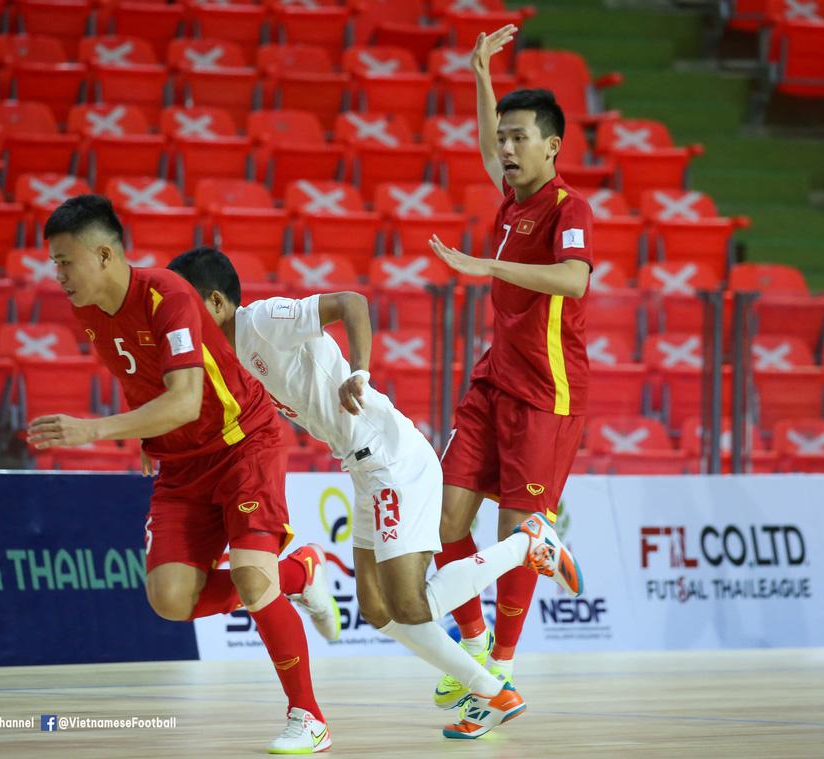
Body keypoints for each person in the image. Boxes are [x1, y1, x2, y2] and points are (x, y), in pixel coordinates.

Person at [167, 246, 584, 740]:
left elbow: (351, 302)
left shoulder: (257, 322)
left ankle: (527, 544)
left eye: (186, 307)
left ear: (216, 303)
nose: (178, 322)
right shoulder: (225, 358)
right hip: (361, 468)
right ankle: (494, 694)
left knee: (410, 605)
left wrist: (358, 372)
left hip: (390, 460)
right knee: (378, 611)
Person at [27, 195, 337, 755]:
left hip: (243, 443)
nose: (59, 275)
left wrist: (95, 430)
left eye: (65, 261)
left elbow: (188, 400)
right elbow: (138, 374)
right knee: (170, 599)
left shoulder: (167, 294)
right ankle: (300, 574)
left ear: (102, 255)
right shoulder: (88, 310)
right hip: (181, 463)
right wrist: (150, 435)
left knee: (249, 576)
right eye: (54, 264)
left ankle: (308, 716)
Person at [426, 25, 595, 737]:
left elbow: (572, 279)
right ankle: (470, 646)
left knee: (513, 534)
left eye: (519, 137)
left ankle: (499, 672)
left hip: (546, 395)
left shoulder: (568, 209)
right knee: (441, 517)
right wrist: (478, 73)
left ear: (552, 145)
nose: (506, 146)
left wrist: (486, 266)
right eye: (504, 137)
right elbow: (480, 138)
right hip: (492, 382)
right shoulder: (511, 200)